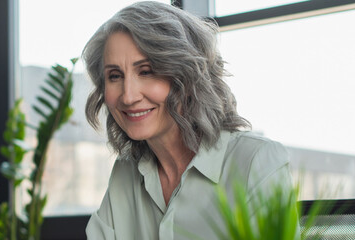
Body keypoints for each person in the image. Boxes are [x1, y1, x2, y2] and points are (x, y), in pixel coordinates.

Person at [82, 2, 292, 239]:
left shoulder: (256, 162)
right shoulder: (126, 171)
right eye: (115, 76)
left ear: (189, 76)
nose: (128, 96)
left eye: (147, 71)